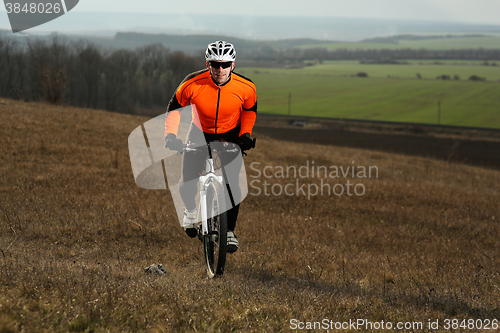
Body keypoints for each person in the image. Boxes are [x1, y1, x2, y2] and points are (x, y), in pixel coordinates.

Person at [164, 40, 257, 253]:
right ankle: (190, 211)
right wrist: (170, 135)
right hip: (200, 132)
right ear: (208, 64)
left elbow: (249, 109)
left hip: (230, 134)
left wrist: (245, 134)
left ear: (233, 65)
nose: (220, 69)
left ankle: (229, 231)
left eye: (225, 64)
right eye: (215, 64)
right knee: (188, 177)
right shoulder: (192, 83)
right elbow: (174, 109)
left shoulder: (246, 87)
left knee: (233, 182)